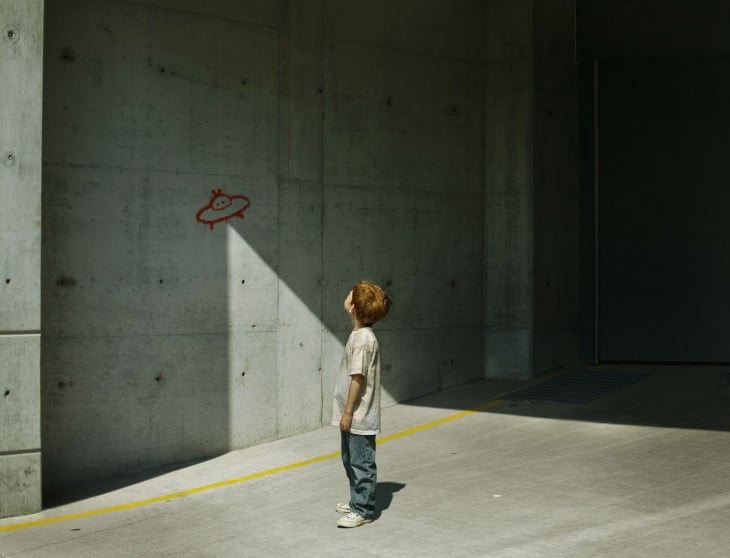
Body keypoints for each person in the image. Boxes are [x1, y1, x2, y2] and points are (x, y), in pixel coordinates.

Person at [331, 280, 392, 528]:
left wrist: (347, 412)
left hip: (358, 415)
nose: (346, 296)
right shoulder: (358, 334)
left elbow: (358, 378)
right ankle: (357, 499)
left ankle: (364, 509)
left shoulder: (364, 340)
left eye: (349, 295)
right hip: (353, 415)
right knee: (350, 459)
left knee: (361, 462)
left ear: (353, 306)